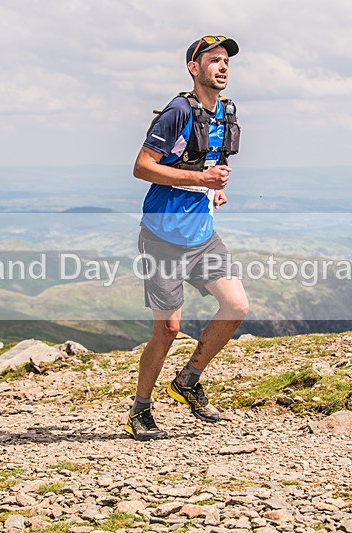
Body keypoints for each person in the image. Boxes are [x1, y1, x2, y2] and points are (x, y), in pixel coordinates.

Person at [126, 35, 249, 441]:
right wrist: (201, 180)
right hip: (162, 236)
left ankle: (188, 380)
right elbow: (142, 167)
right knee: (167, 329)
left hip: (202, 234)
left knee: (236, 305)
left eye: (226, 61)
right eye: (214, 60)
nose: (223, 66)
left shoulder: (225, 113)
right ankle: (140, 409)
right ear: (194, 68)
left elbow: (211, 162)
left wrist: (214, 190)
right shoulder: (178, 112)